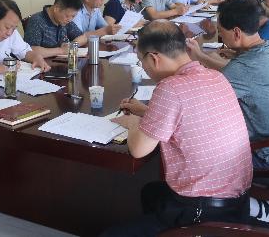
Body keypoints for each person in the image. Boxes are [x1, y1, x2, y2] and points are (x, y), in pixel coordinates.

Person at [105, 20, 252, 236]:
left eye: (141, 61)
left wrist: (133, 122)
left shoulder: (170, 88)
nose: (143, 68)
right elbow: (191, 115)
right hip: (237, 202)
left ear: (154, 58)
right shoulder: (215, 75)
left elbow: (138, 149)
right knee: (151, 192)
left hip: (202, 213)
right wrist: (146, 111)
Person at [185, 0, 269, 170]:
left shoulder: (242, 68)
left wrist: (192, 60)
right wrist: (201, 56)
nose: (220, 36)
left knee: (197, 146)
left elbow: (197, 103)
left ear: (237, 33)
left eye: (221, 31)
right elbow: (239, 74)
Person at [24, 0, 88, 57]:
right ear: (56, 9)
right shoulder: (37, 21)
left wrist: (72, 45)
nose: (70, 19)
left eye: (73, 16)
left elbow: (83, 37)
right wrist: (61, 50)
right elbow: (30, 50)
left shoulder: (66, 21)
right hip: (44, 63)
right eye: (67, 16)